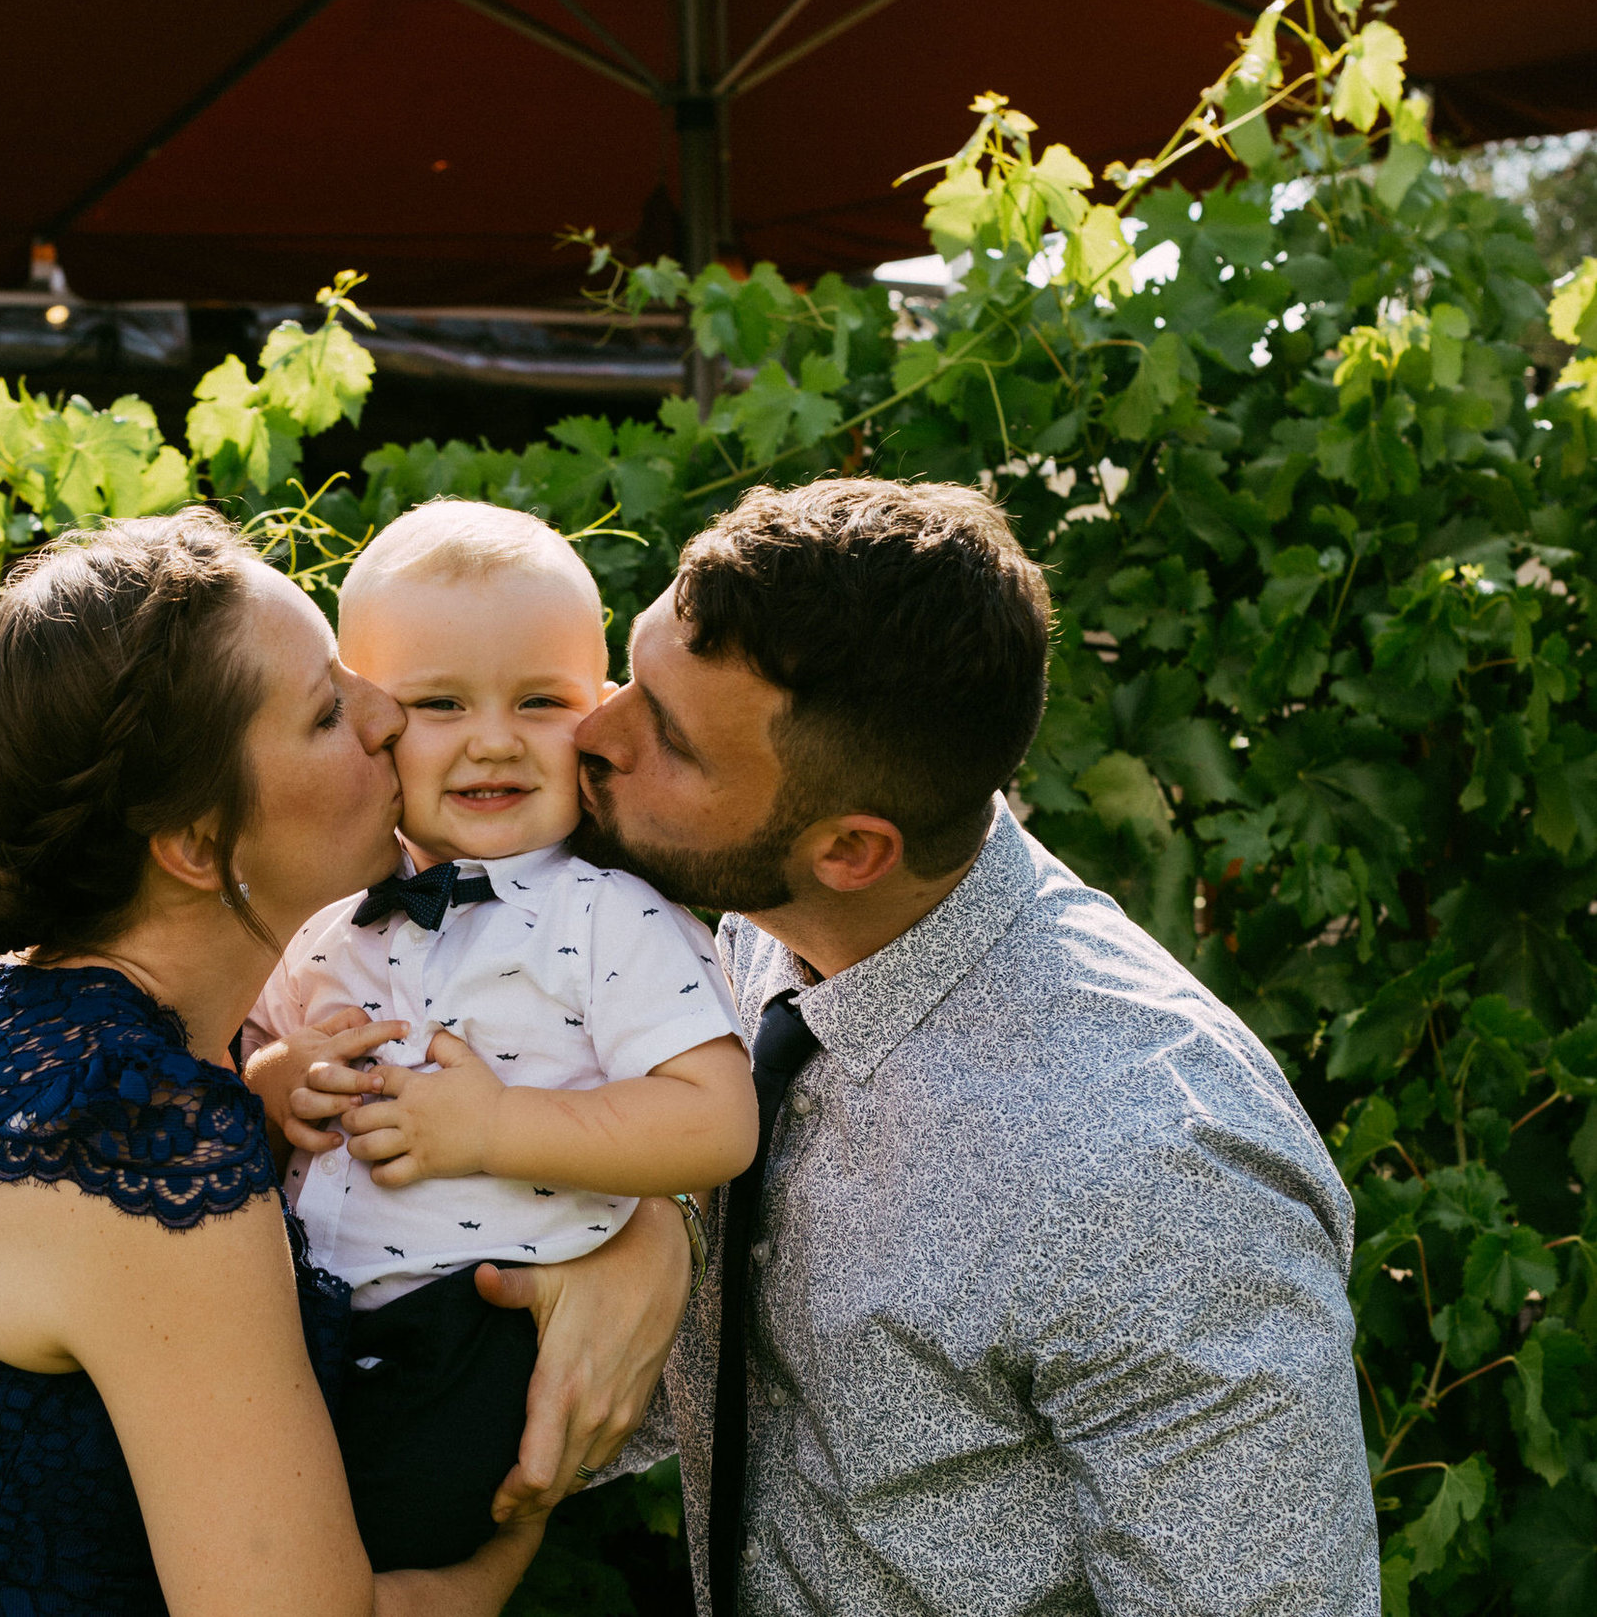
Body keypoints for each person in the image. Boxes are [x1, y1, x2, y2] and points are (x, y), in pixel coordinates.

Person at [544, 477, 1377, 1614]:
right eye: (633, 673)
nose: (590, 731)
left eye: (668, 740)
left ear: (849, 848)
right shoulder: (756, 929)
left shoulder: (1154, 1169)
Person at [0, 508, 682, 1617]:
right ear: (196, 842)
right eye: (330, 708)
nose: (388, 716)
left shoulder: (35, 1017)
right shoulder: (130, 1148)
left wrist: (650, 1237)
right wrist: (528, 1494)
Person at [241, 502, 753, 1572]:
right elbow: (250, 1076)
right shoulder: (329, 915)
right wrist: (286, 1079)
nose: (491, 738)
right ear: (368, 717)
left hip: (469, 1338)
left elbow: (713, 1120)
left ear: (599, 710)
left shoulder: (608, 916)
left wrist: (496, 1126)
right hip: (299, 1326)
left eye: (538, 701)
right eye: (439, 703)